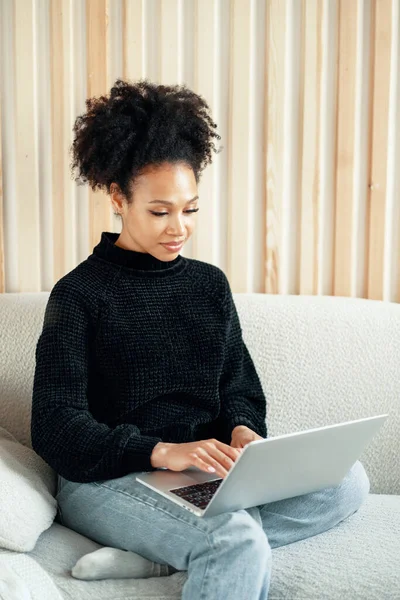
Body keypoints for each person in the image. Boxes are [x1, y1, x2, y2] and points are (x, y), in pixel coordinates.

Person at [31, 78, 370, 599]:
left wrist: (241, 431)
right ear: (118, 197)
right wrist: (161, 450)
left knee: (348, 482)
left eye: (190, 209)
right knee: (234, 540)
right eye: (160, 211)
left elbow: (239, 386)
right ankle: (198, 546)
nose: (179, 228)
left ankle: (161, 557)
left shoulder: (208, 284)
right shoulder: (79, 294)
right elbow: (57, 427)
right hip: (107, 480)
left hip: (203, 475)